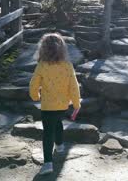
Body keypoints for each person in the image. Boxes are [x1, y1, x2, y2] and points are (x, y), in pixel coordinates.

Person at [29, 33, 81, 175]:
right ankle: (59, 145)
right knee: (58, 122)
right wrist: (76, 103)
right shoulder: (67, 65)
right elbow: (74, 86)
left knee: (48, 133)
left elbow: (34, 83)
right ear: (62, 49)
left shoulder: (42, 65)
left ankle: (47, 163)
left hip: (47, 106)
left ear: (43, 49)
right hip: (62, 105)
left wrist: (35, 96)